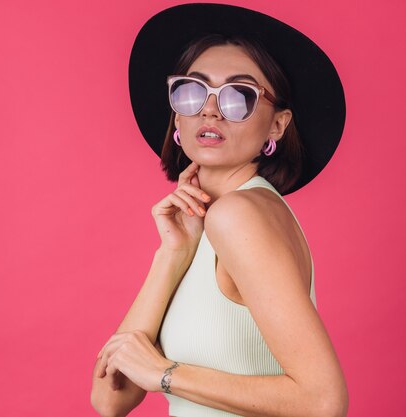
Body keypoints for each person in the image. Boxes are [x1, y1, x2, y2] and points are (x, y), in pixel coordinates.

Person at [91, 4, 348, 417]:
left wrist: (164, 374)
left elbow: (323, 402)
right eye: (193, 90)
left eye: (239, 96)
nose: (209, 110)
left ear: (277, 126)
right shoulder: (212, 220)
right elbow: (110, 398)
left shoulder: (240, 214)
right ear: (176, 112)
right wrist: (173, 255)